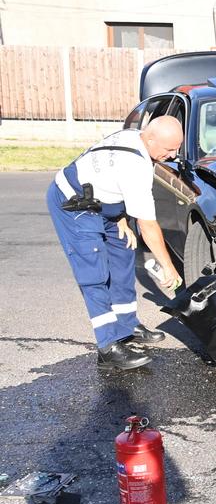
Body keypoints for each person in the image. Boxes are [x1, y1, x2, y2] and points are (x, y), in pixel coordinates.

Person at [46, 117, 184, 371]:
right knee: (94, 271)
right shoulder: (135, 165)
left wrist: (119, 215)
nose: (173, 155)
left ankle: (127, 325)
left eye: (177, 148)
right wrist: (168, 267)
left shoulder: (136, 137)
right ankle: (108, 347)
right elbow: (148, 225)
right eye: (168, 149)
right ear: (150, 138)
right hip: (74, 204)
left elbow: (107, 176)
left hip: (102, 203)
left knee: (124, 250)